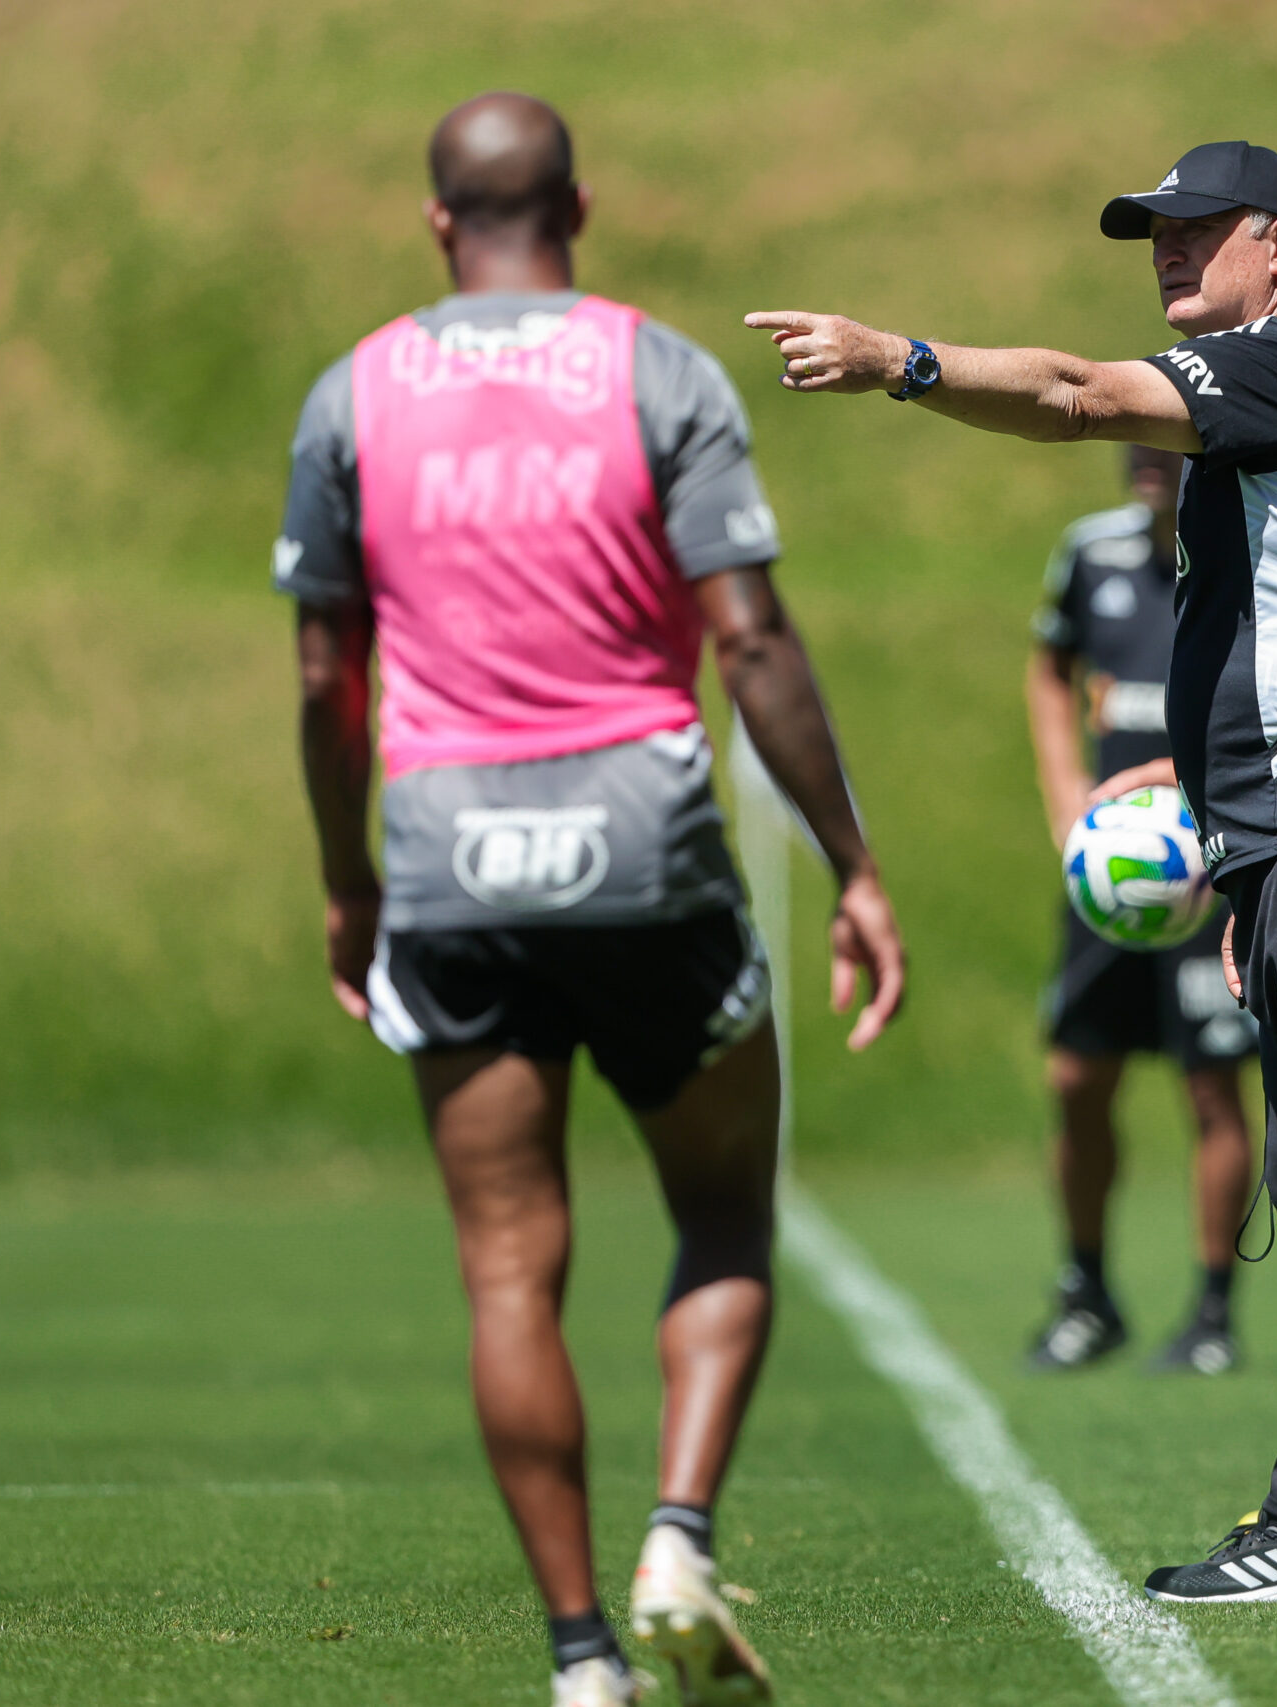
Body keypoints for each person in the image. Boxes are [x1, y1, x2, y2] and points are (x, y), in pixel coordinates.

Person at [746, 140, 1277, 1600]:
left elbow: (1071, 394)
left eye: (1195, 230)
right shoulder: (1261, 403)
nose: (1167, 252)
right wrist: (1238, 852)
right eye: (1150, 234)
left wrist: (899, 358)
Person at [277, 93, 905, 1707]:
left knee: (507, 1265)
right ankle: (679, 1538)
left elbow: (326, 668)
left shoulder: (355, 388)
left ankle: (579, 1660)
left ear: (438, 223)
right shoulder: (657, 369)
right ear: (583, 206)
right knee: (721, 1208)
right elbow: (753, 640)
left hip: (450, 852)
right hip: (645, 845)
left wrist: (350, 878)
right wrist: (853, 863)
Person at [1025, 445, 1258, 1376]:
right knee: (1078, 1075)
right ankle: (1086, 1292)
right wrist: (1063, 794)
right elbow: (1049, 667)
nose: (1147, 460)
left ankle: (1211, 1311)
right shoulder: (1091, 552)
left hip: (1210, 865)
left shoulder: (1244, 545)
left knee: (1212, 1084)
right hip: (1111, 869)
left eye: (1168, 442)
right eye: (1134, 443)